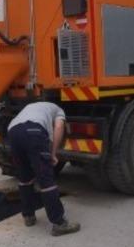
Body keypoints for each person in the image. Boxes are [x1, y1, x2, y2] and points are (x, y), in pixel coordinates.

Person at [6, 100, 80, 236]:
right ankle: (59, 223)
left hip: (13, 132)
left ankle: (28, 216)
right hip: (33, 132)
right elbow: (58, 128)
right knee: (45, 178)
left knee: (25, 177)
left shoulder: (31, 106)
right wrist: (53, 153)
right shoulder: (58, 110)